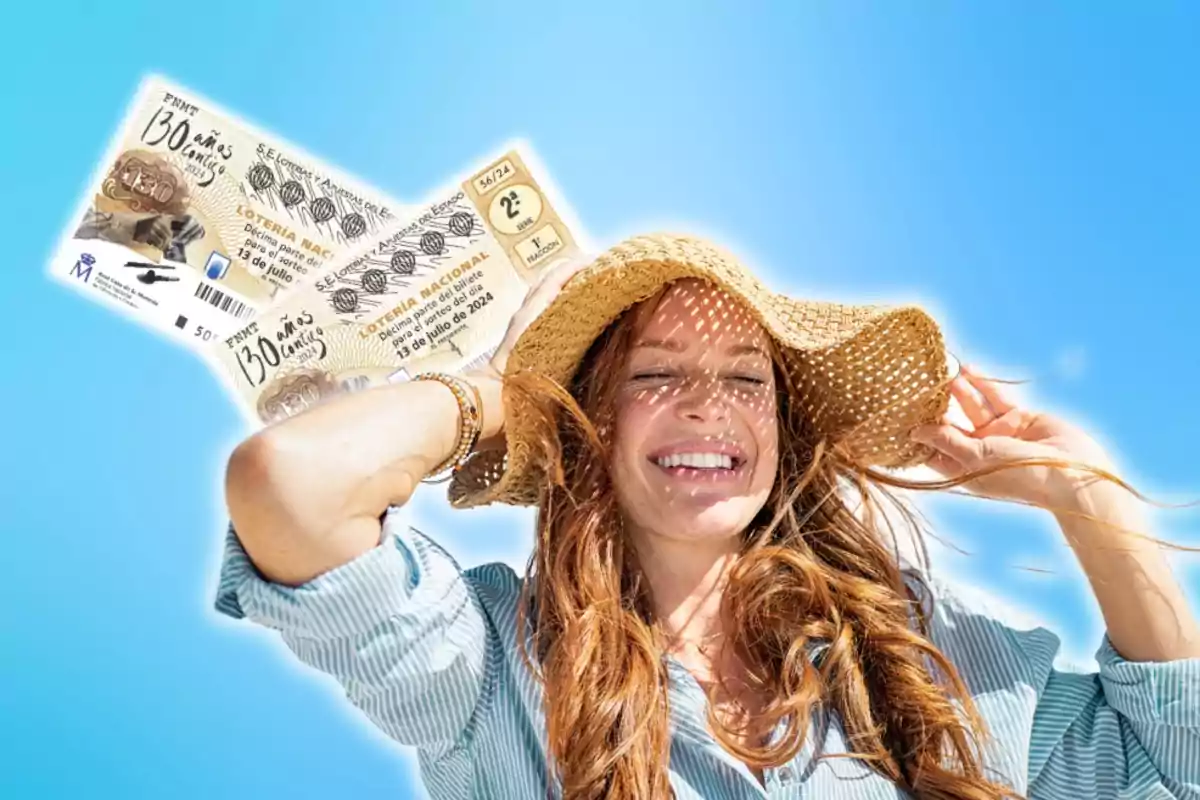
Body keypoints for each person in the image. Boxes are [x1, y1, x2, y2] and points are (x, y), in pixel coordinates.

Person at [215, 234, 1200, 799]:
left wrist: (1090, 501)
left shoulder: (913, 655)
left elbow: (1179, 762)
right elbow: (289, 481)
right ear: (594, 426)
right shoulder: (493, 665)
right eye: (656, 376)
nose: (708, 405)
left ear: (778, 430)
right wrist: (495, 393)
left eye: (744, 378)